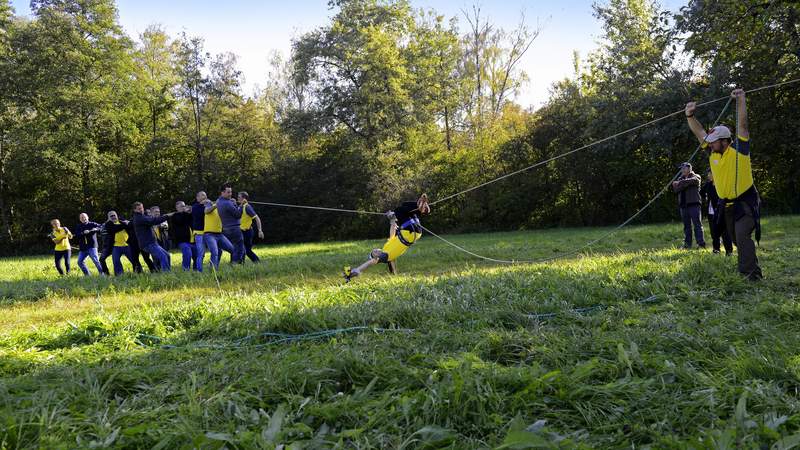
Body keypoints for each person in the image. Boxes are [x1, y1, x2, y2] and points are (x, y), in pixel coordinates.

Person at [685, 88, 762, 280]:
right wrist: (690, 115)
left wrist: (741, 100)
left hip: (746, 203)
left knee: (743, 236)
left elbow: (743, 126)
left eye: (713, 142)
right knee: (737, 239)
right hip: (726, 205)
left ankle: (751, 276)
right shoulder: (713, 154)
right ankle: (750, 268)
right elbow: (700, 132)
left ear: (725, 141)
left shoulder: (739, 151)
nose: (709, 144)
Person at [344, 194, 430, 282]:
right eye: (375, 253)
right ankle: (420, 207)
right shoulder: (387, 256)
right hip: (409, 233)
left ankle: (422, 207)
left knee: (405, 205)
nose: (376, 251)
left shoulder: (386, 246)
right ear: (376, 257)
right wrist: (357, 270)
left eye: (375, 250)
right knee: (398, 210)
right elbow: (370, 263)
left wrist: (392, 220)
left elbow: (392, 233)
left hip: (413, 230)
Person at [671, 162, 706, 249]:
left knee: (697, 224)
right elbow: (676, 189)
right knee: (687, 226)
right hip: (683, 206)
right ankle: (687, 245)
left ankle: (700, 244)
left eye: (683, 168)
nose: (681, 170)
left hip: (694, 204)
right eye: (681, 168)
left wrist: (681, 183)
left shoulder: (696, 176)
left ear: (689, 168)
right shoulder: (680, 178)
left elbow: (694, 181)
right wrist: (684, 183)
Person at [132, 202, 173, 272]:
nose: (141, 210)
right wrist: (167, 216)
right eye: (139, 209)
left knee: (167, 255)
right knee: (163, 257)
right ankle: (166, 274)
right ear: (134, 210)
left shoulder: (142, 216)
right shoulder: (139, 218)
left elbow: (152, 219)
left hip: (152, 242)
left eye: (142, 208)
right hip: (148, 243)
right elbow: (154, 221)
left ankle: (167, 271)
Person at [700, 169, 733, 255]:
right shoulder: (708, 185)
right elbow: (701, 192)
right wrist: (706, 199)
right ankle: (716, 250)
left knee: (725, 233)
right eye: (708, 174)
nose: (708, 176)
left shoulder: (721, 184)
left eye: (709, 174)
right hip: (711, 213)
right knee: (714, 233)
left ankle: (729, 251)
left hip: (721, 212)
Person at [202, 193, 234, 269]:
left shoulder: (222, 209)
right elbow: (206, 211)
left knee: (233, 250)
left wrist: (232, 204)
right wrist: (216, 204)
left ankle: (233, 266)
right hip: (209, 234)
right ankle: (213, 271)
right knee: (215, 252)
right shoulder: (210, 205)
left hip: (219, 234)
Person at [215, 184, 245, 264]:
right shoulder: (227, 203)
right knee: (239, 248)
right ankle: (235, 265)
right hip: (234, 229)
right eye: (228, 192)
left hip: (225, 228)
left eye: (231, 192)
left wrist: (234, 203)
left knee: (233, 248)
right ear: (222, 192)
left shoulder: (218, 201)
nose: (230, 194)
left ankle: (233, 263)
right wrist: (241, 205)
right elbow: (238, 215)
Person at [103, 210, 135, 276]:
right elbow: (113, 230)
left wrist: (124, 224)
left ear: (117, 215)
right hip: (116, 246)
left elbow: (130, 227)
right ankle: (120, 275)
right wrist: (123, 225)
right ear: (109, 217)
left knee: (134, 259)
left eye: (114, 215)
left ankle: (138, 271)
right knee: (116, 261)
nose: (113, 217)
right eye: (111, 216)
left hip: (126, 245)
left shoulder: (121, 222)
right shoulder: (108, 224)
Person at [238, 191, 264, 263]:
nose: (238, 198)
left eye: (239, 197)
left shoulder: (247, 207)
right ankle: (242, 265)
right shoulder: (241, 206)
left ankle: (257, 262)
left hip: (247, 232)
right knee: (243, 250)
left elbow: (257, 218)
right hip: (241, 232)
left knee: (246, 250)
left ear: (244, 198)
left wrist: (260, 230)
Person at [170, 200, 196, 271]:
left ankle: (196, 270)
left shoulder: (187, 214)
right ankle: (185, 270)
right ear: (176, 207)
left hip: (192, 239)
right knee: (188, 254)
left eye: (184, 206)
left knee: (196, 255)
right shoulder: (175, 216)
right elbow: (180, 221)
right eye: (181, 206)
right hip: (182, 240)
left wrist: (190, 212)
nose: (183, 207)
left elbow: (193, 220)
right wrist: (185, 212)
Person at [191, 191, 208, 272]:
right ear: (197, 198)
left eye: (205, 195)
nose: (205, 197)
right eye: (202, 195)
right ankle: (199, 271)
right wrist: (203, 205)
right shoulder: (195, 207)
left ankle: (214, 268)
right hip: (199, 233)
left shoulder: (208, 205)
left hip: (209, 232)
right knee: (201, 254)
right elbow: (200, 214)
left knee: (218, 251)